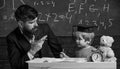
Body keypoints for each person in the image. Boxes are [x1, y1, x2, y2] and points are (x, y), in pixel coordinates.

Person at [7, 4, 67, 69]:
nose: (36, 25)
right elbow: (15, 66)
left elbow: (58, 51)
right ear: (21, 24)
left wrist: (62, 56)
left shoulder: (45, 28)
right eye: (32, 22)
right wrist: (32, 51)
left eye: (36, 20)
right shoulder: (12, 38)